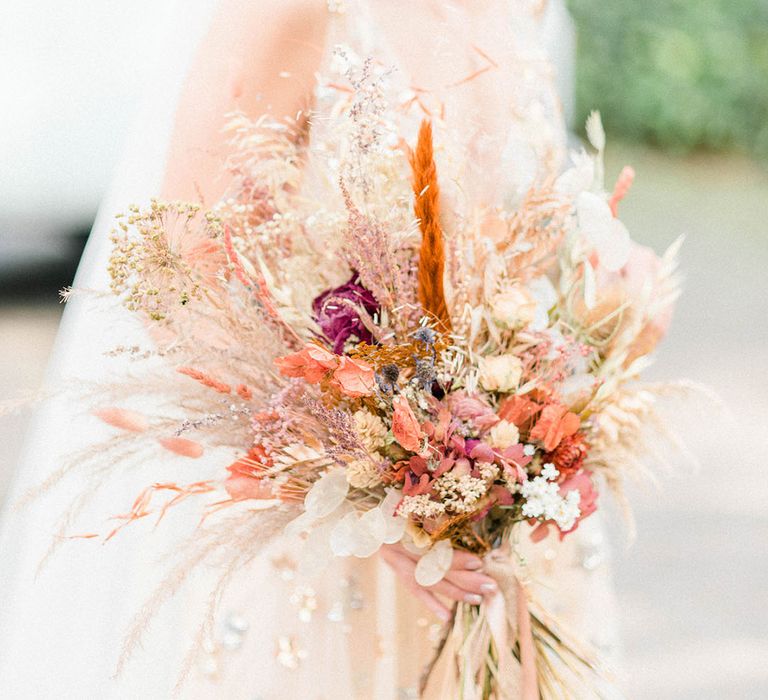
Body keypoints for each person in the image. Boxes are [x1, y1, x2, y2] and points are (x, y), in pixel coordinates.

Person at [0, 2, 620, 697]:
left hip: (501, 519)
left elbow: (508, 253)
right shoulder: (295, 10)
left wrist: (565, 374)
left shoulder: (527, 9)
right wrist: (367, 485)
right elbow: (174, 275)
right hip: (325, 546)